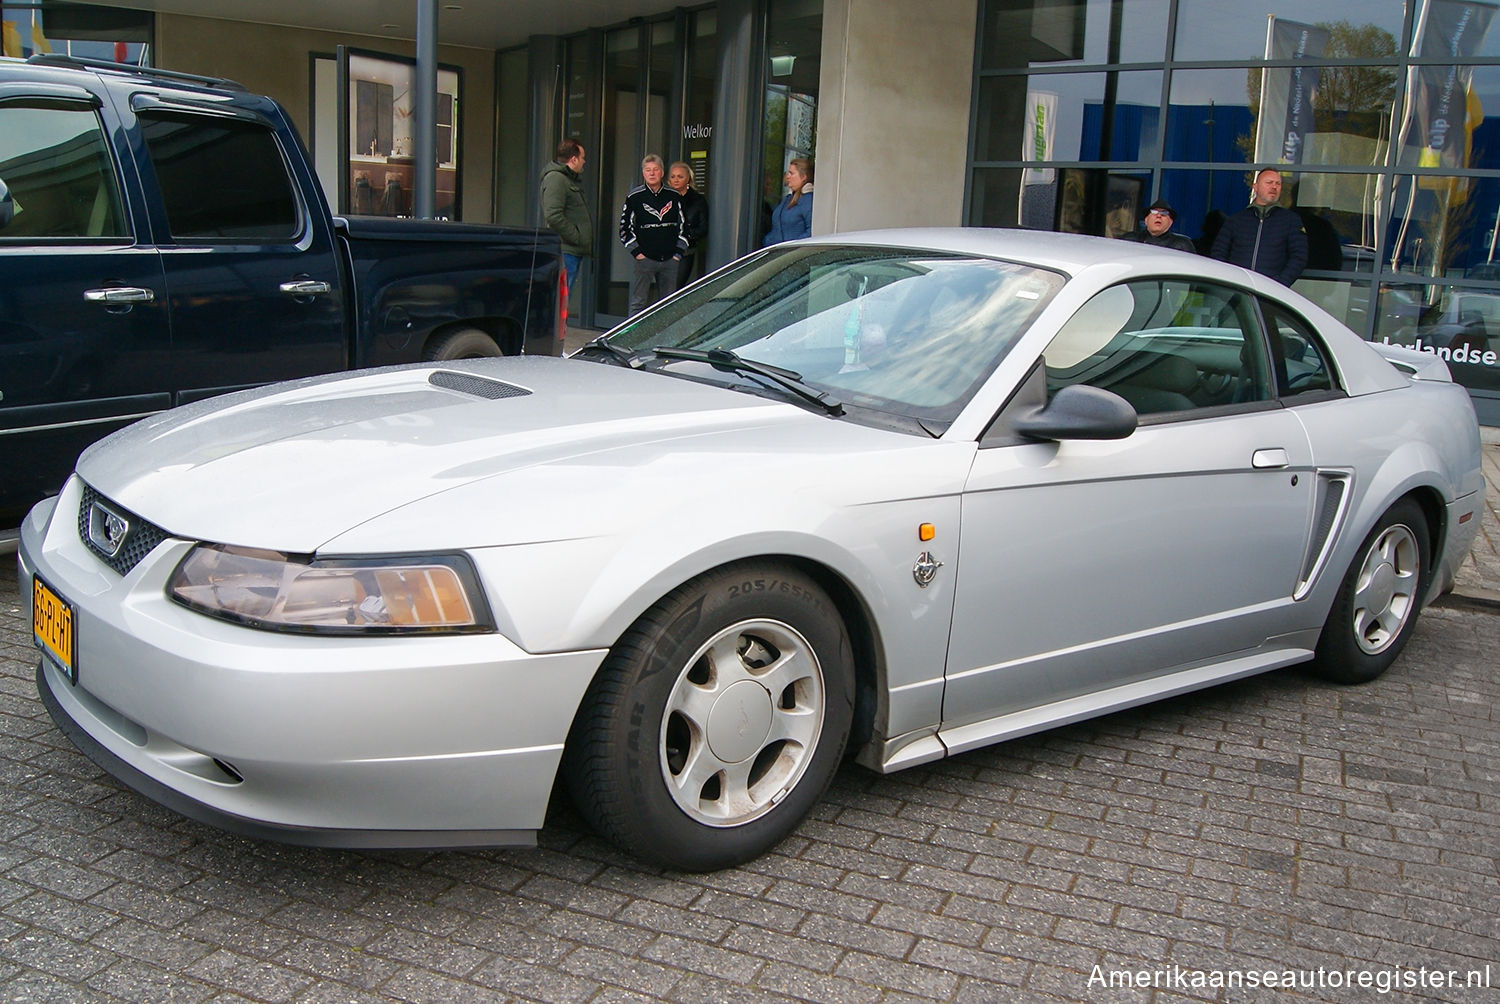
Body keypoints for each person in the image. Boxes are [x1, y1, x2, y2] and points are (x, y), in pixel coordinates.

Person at [1210, 168, 1308, 285]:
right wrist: (1229, 280)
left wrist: (1280, 284)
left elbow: (1299, 257)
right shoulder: (1236, 220)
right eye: (1269, 182)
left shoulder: (1290, 221)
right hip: (1237, 289)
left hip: (1271, 293)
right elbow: (1218, 253)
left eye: (1278, 184)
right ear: (1255, 187)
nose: (1274, 187)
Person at [619, 154, 687, 315]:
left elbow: (684, 226)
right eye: (648, 170)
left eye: (655, 170)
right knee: (638, 303)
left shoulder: (674, 196)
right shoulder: (634, 197)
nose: (652, 173)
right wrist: (637, 253)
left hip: (670, 259)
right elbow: (624, 228)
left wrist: (678, 253)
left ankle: (666, 339)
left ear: (662, 173)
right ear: (643, 173)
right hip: (645, 260)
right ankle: (633, 339)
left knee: (668, 304)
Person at [539, 138, 592, 295]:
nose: (584, 162)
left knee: (563, 297)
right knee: (561, 297)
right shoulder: (557, 179)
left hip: (571, 250)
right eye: (582, 158)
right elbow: (553, 215)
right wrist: (576, 237)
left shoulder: (567, 179)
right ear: (574, 159)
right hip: (566, 250)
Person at [668, 161, 708, 288]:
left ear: (688, 179)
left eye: (680, 176)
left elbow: (703, 229)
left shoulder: (698, 201)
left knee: (674, 289)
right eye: (673, 176)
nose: (676, 180)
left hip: (684, 252)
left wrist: (684, 234)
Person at [764, 158, 813, 246]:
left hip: (793, 255)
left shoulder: (808, 200)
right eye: (788, 173)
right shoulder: (787, 199)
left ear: (803, 177)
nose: (787, 176)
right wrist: (767, 242)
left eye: (792, 173)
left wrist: (791, 247)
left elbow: (811, 232)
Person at [1119, 198, 1197, 253]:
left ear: (1170, 222)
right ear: (1146, 220)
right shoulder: (1129, 239)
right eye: (1154, 212)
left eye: (1164, 213)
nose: (1159, 216)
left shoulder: (1182, 245)